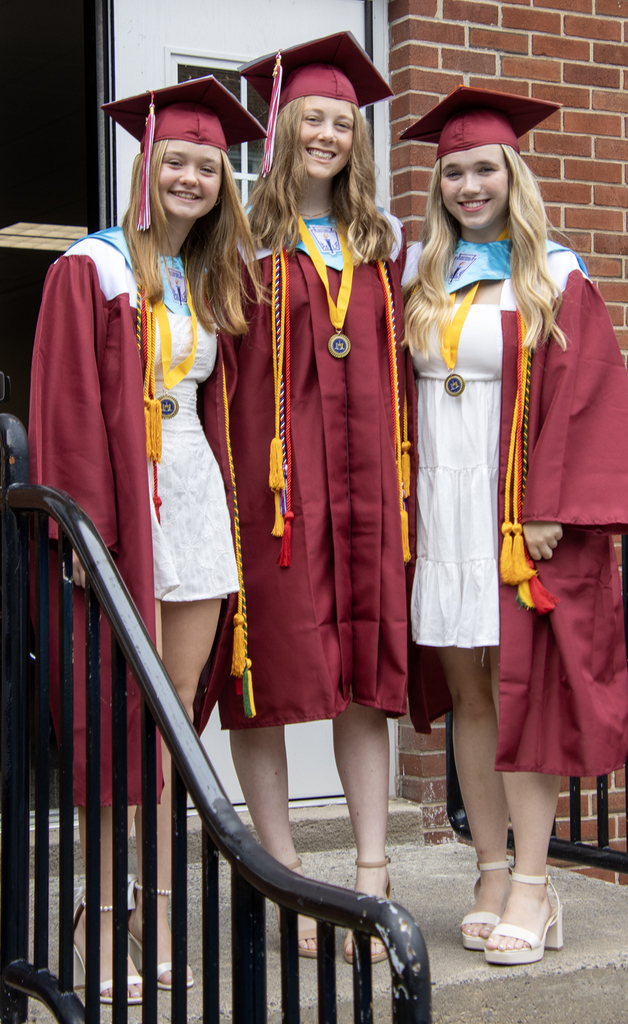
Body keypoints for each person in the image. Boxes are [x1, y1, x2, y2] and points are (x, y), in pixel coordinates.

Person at [400, 87, 628, 966]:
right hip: (438, 506)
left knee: (521, 687)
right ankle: (489, 868)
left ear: (513, 175)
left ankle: (537, 885)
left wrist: (545, 503)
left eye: (483, 169)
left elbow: (584, 397)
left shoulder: (553, 274)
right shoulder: (418, 273)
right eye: (454, 172)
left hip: (510, 514)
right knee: (468, 687)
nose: (469, 186)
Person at [29, 77, 265, 1000]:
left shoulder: (209, 278)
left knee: (169, 727)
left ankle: (158, 907)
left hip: (195, 496)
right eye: (176, 161)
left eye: (207, 167)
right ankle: (96, 907)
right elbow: (64, 410)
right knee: (111, 724)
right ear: (146, 165)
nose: (191, 178)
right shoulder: (89, 268)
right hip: (124, 507)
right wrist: (86, 536)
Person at [197, 32, 416, 962]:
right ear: (281, 131)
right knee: (269, 684)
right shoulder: (236, 236)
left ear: (356, 139)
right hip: (274, 497)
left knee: (365, 683)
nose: (327, 133)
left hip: (368, 491)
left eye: (341, 121)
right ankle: (284, 875)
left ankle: (370, 877)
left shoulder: (387, 244)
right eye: (311, 119)